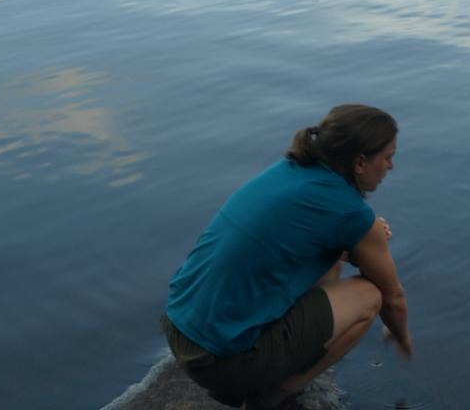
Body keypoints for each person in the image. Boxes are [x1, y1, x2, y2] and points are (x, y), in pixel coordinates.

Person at [161, 104, 412, 409]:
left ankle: (274, 366)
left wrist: (362, 238)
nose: (391, 167)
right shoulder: (350, 213)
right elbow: (393, 297)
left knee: (330, 253)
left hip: (179, 327)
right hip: (221, 361)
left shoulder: (291, 169)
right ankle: (277, 394)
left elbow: (312, 240)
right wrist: (401, 337)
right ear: (360, 162)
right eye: (388, 157)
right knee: (370, 296)